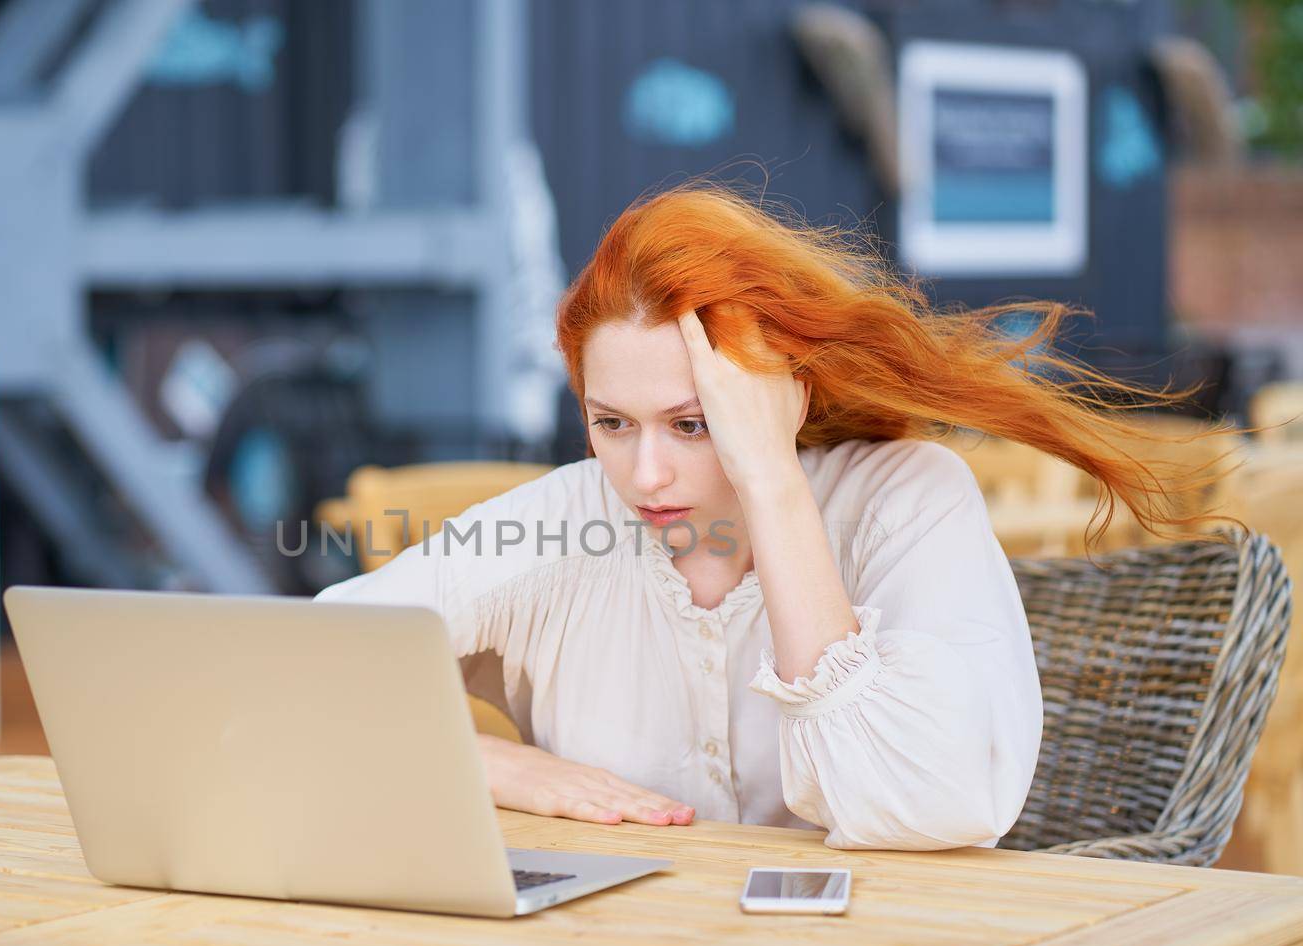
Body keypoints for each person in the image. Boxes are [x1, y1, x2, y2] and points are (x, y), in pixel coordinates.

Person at [314, 181, 1231, 851]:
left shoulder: (905, 495)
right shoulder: (565, 518)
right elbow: (308, 669)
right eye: (610, 423)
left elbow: (934, 795)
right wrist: (493, 765)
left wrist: (771, 481)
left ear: (779, 395)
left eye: (692, 422)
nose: (646, 471)